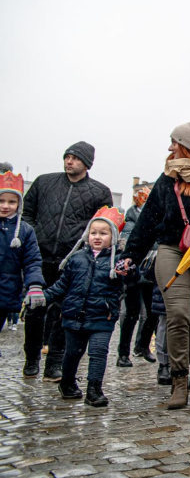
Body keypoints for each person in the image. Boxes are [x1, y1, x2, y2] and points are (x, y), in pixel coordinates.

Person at [120, 120, 190, 409]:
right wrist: (130, 254)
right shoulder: (167, 178)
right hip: (172, 250)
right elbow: (148, 221)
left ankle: (187, 367)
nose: (170, 147)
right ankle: (179, 380)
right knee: (178, 313)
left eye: (175, 142)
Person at [21, 141, 112, 381]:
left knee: (63, 314)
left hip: (71, 261)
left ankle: (54, 363)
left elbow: (103, 226)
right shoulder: (44, 182)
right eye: (67, 156)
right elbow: (27, 212)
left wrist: (84, 251)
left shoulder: (99, 192)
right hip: (39, 258)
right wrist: (33, 234)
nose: (69, 161)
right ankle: (31, 358)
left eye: (75, 158)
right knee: (34, 310)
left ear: (86, 163)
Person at [45, 207, 124, 407]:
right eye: (93, 232)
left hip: (102, 316)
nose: (97, 237)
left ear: (113, 236)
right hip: (74, 315)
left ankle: (94, 389)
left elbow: (132, 278)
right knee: (72, 353)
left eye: (103, 233)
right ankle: (67, 383)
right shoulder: (77, 258)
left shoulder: (119, 261)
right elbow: (62, 284)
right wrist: (43, 297)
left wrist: (129, 271)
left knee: (98, 352)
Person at [0, 172, 44, 339]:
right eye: (1, 201)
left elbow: (32, 260)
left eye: (11, 202)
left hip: (6, 289)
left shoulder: (25, 230)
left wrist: (34, 285)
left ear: (19, 204)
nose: (5, 206)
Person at [117, 185, 156, 367]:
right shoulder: (131, 219)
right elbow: (127, 245)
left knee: (151, 313)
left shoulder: (157, 215)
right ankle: (123, 352)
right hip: (135, 273)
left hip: (151, 271)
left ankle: (142, 345)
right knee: (131, 314)